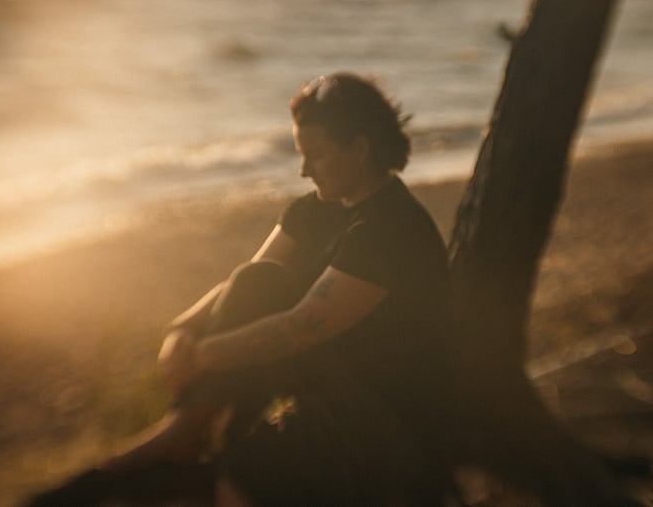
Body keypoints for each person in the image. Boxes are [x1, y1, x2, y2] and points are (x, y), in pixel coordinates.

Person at [27, 73, 458, 506]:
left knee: (239, 482)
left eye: (316, 156)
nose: (304, 170)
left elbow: (297, 328)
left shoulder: (390, 229)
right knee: (260, 281)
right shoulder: (317, 208)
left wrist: (202, 356)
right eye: (301, 154)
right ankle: (187, 429)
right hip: (327, 381)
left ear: (360, 149)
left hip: (385, 415)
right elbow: (248, 278)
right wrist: (184, 328)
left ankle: (189, 435)